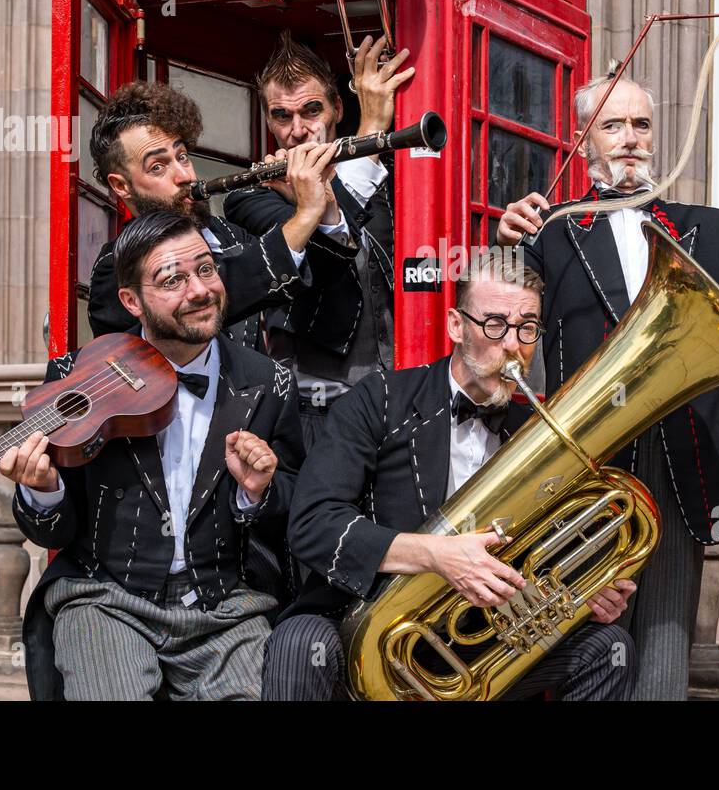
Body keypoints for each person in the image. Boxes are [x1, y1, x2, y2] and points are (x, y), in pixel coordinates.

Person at [495, 74, 719, 700]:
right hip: (586, 467)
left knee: (663, 659)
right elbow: (495, 328)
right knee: (582, 652)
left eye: (641, 125)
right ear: (584, 143)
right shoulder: (550, 230)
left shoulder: (710, 228)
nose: (630, 139)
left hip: (678, 460)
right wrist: (507, 247)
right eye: (613, 126)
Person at [262, 252, 636, 701]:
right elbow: (313, 523)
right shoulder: (379, 399)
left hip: (481, 638)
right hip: (365, 622)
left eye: (527, 328)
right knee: (299, 642)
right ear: (456, 327)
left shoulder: (538, 429)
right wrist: (438, 555)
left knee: (609, 647)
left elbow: (558, 556)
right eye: (494, 324)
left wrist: (589, 590)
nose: (512, 345)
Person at [2, 211, 304, 700]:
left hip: (225, 609)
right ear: (131, 301)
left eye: (206, 269)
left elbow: (297, 509)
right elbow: (53, 532)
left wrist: (259, 492)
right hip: (106, 600)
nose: (200, 290)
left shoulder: (269, 382)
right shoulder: (76, 374)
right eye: (173, 280)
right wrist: (43, 493)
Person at [224, 32, 412, 446]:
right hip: (313, 412)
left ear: (336, 108)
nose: (298, 131)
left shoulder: (397, 177)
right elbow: (322, 262)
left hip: (402, 395)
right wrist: (372, 127)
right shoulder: (248, 197)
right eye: (281, 116)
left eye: (311, 110)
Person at [84, 79, 340, 352]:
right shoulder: (117, 265)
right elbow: (228, 283)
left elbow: (323, 282)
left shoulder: (228, 234)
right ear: (122, 186)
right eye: (158, 167)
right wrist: (305, 214)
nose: (185, 176)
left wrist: (323, 202)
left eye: (182, 157)